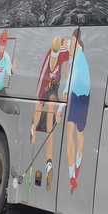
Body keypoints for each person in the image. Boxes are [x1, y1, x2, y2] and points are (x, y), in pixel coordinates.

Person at [30, 35, 70, 191]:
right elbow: (41, 76)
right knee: (43, 116)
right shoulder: (55, 55)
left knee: (45, 122)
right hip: (46, 88)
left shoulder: (59, 52)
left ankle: (47, 161)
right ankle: (34, 130)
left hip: (50, 90)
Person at [63, 27, 91, 194]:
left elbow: (72, 77)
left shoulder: (78, 55)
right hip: (82, 95)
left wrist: (65, 91)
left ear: (78, 43)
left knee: (76, 134)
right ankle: (73, 171)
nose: (71, 47)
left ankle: (74, 170)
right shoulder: (77, 54)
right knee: (74, 133)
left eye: (73, 44)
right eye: (70, 44)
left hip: (79, 95)